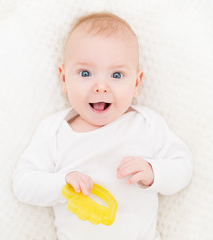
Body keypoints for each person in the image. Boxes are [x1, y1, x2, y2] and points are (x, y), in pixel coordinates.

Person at [12, 12, 192, 240]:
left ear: (136, 83)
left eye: (117, 75)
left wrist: (153, 172)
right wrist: (61, 183)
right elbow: (23, 184)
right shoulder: (55, 131)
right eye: (85, 73)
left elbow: (183, 167)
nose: (100, 87)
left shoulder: (146, 124)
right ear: (64, 78)